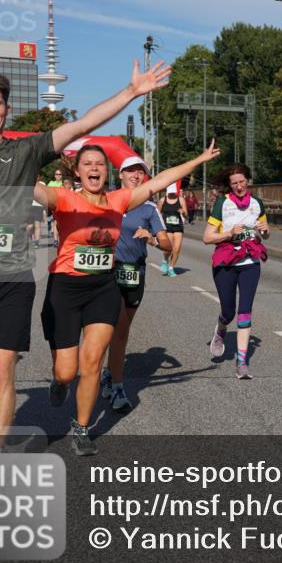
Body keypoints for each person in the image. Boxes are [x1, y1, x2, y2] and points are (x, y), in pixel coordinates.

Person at [0, 60, 172, 447]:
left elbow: (82, 125)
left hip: (13, 278)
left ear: (6, 109)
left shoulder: (26, 150)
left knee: (3, 369)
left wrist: (130, 92)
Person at [38, 141, 219, 455]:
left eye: (99, 164)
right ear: (77, 172)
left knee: (92, 362)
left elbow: (160, 180)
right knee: (66, 371)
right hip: (65, 288)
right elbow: (35, 192)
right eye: (87, 164)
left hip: (102, 288)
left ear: (107, 171)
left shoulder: (119, 200)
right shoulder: (65, 198)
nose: (94, 168)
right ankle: (60, 381)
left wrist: (199, 160)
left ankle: (81, 429)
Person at [99, 155, 171, 413]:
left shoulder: (149, 208)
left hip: (134, 274)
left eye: (140, 172)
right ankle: (118, 387)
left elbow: (168, 245)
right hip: (108, 273)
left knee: (122, 331)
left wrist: (152, 239)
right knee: (118, 328)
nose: (136, 175)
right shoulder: (106, 200)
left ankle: (109, 373)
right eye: (130, 170)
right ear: (120, 174)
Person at [204, 164, 269, 379]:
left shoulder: (257, 203)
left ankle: (242, 363)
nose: (239, 186)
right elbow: (207, 237)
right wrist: (229, 233)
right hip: (226, 262)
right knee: (229, 311)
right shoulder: (222, 204)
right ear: (229, 185)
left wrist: (265, 231)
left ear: (248, 180)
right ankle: (221, 328)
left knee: (245, 311)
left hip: (250, 263)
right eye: (235, 184)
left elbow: (265, 233)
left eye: (242, 182)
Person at [159, 185, 187, 276]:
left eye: (173, 192)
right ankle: (165, 260)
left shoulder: (181, 200)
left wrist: (183, 212)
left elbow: (186, 215)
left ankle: (171, 268)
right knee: (168, 249)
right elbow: (158, 214)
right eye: (170, 192)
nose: (172, 194)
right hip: (167, 227)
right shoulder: (162, 200)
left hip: (178, 227)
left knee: (177, 249)